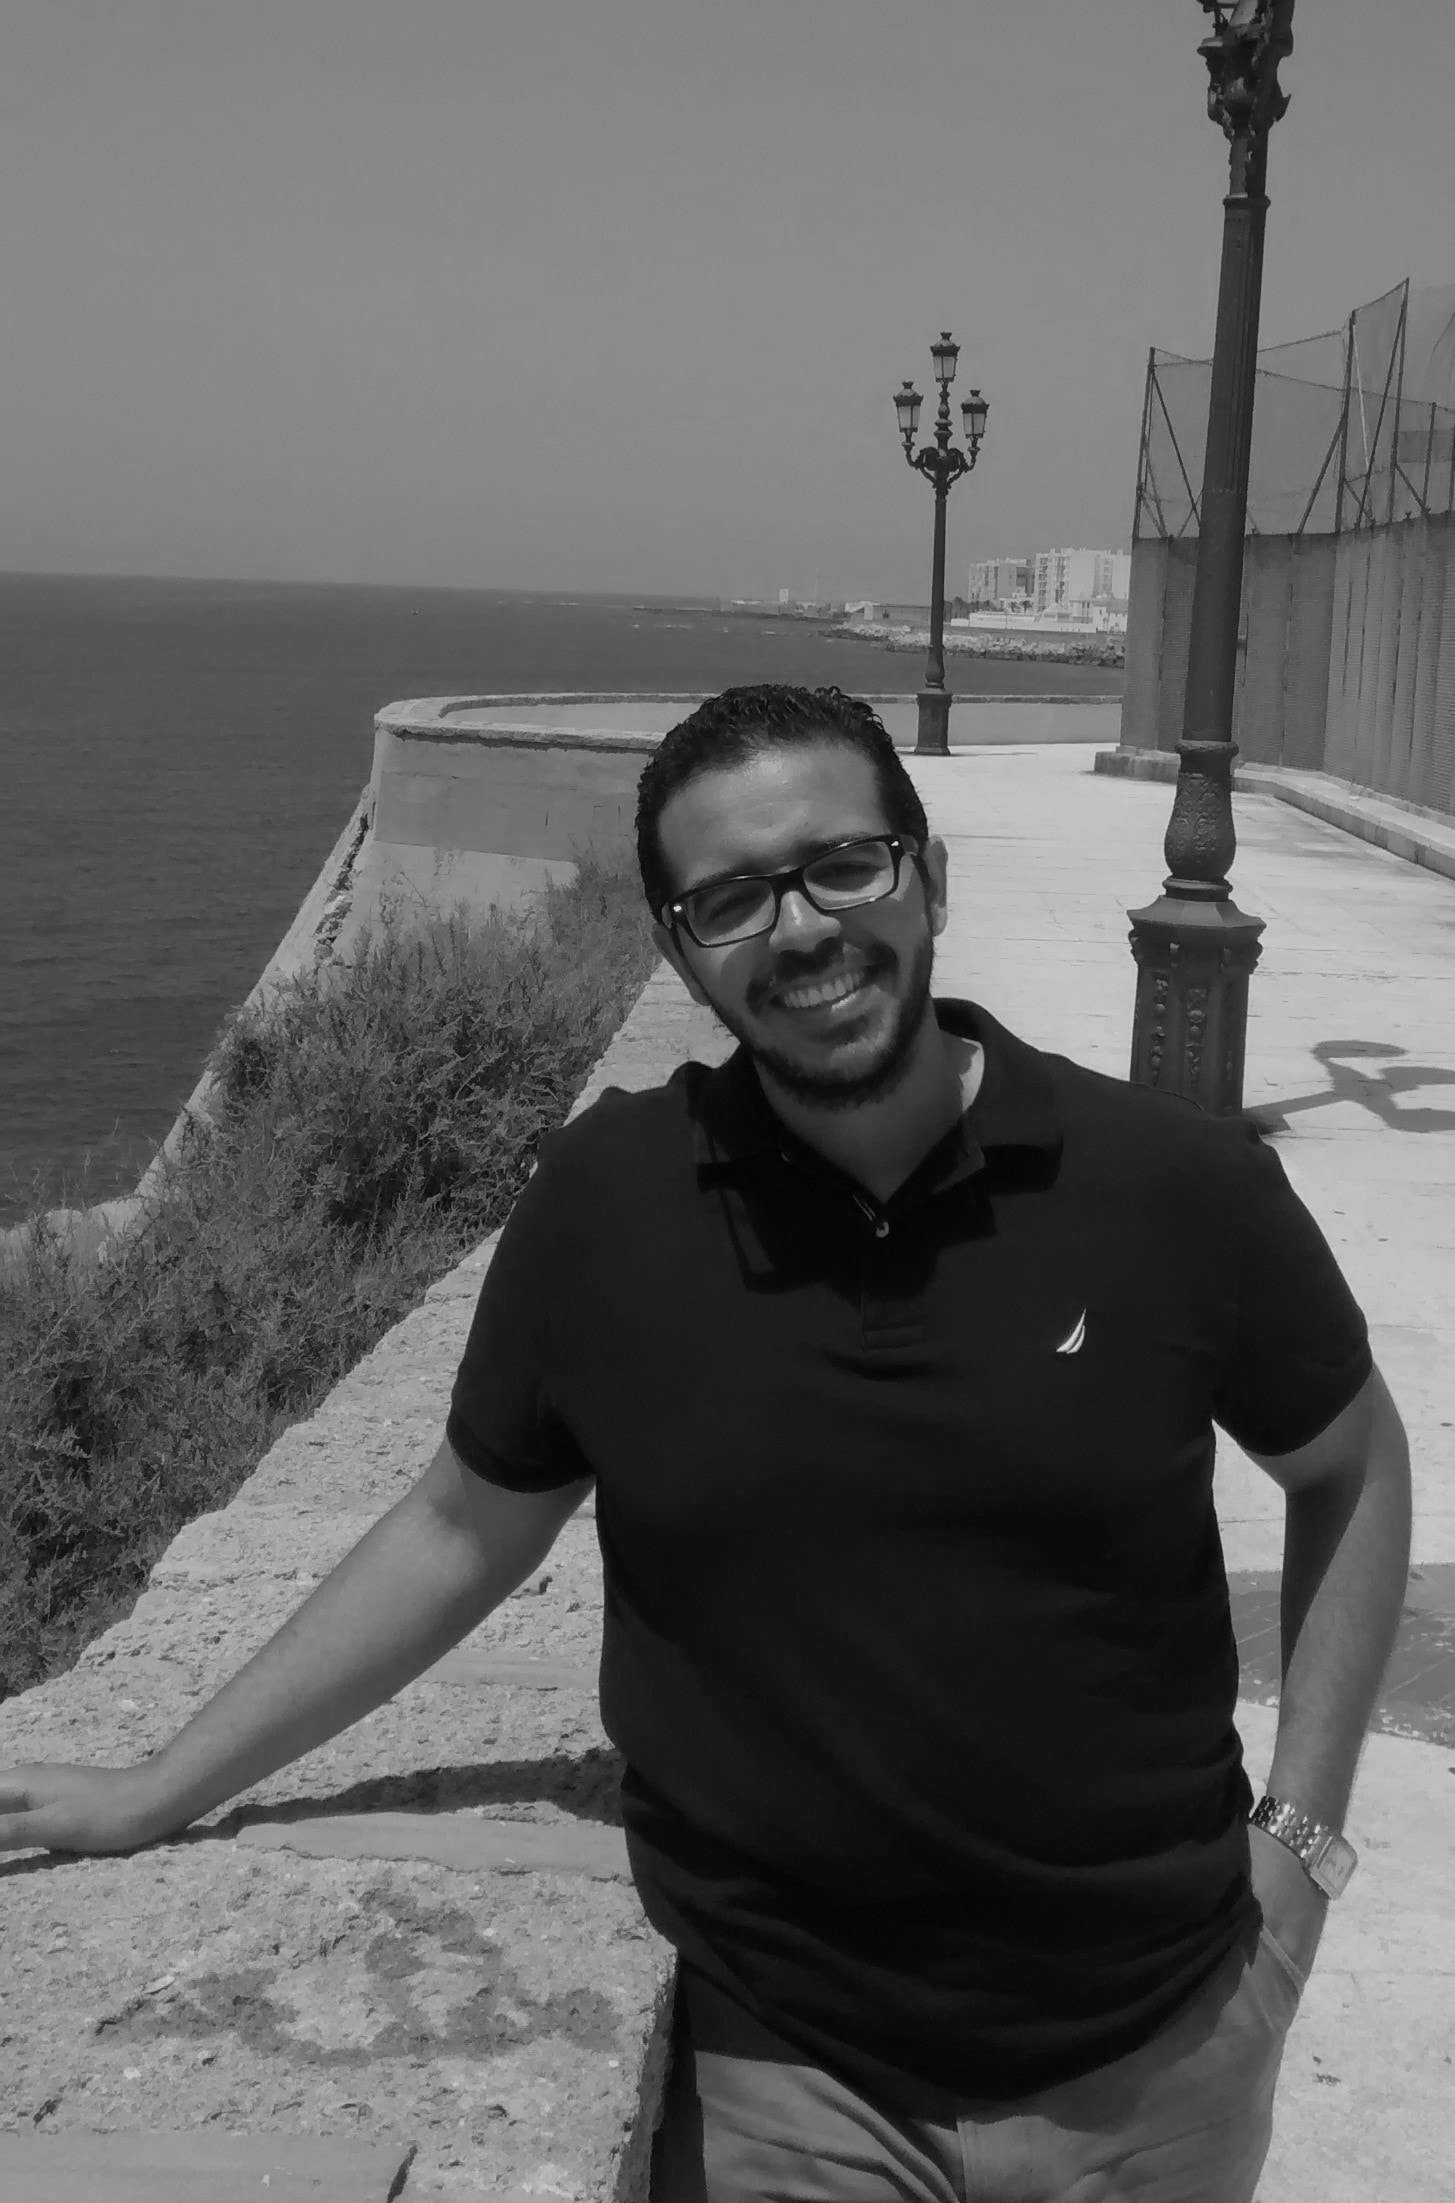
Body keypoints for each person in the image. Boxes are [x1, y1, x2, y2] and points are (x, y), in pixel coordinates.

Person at [0, 685, 1412, 2203]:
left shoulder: (1172, 1189)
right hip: (790, 2083)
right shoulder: (609, 1207)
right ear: (681, 954)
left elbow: (1354, 1466)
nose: (801, 930)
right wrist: (162, 1785)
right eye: (731, 900)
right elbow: (461, 1527)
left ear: (930, 880)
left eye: (844, 866)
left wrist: (1301, 1853)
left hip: (1168, 2054)